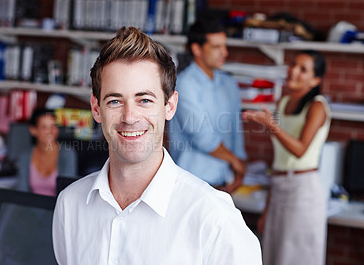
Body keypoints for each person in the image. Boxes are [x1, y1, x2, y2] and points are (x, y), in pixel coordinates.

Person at [52, 27, 262, 264]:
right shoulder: (69, 205)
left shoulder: (215, 219)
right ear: (96, 108)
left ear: (170, 106)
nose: (130, 117)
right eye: (114, 100)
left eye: (144, 100)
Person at [243, 50, 330, 265]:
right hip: (279, 187)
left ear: (315, 80)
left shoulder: (317, 106)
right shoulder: (284, 103)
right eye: (293, 65)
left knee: (295, 258)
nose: (293, 71)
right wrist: (267, 209)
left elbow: (299, 150)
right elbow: (279, 161)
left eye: (303, 69)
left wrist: (271, 125)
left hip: (303, 192)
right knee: (272, 256)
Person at [169, 18, 246, 194]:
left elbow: (236, 130)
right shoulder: (184, 84)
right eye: (216, 47)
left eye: (224, 46)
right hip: (191, 183)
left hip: (225, 180)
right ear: (197, 49)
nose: (224, 52)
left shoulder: (229, 83)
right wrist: (235, 161)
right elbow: (201, 135)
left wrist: (239, 168)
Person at [17, 108, 78, 196]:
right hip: (31, 207)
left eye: (53, 126)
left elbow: (67, 191)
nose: (50, 131)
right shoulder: (25, 156)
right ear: (33, 130)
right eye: (44, 127)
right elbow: (22, 190)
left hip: (57, 207)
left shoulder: (67, 154)